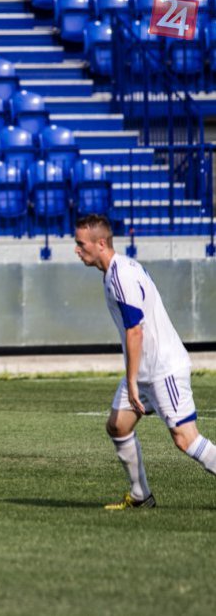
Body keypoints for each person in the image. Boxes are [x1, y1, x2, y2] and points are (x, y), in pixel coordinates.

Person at [74, 214, 216, 509]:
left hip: (163, 369)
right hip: (144, 372)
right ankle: (140, 495)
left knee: (185, 439)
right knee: (118, 426)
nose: (77, 250)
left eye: (81, 244)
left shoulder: (120, 275)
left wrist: (131, 381)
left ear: (101, 244)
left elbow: (135, 330)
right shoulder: (116, 270)